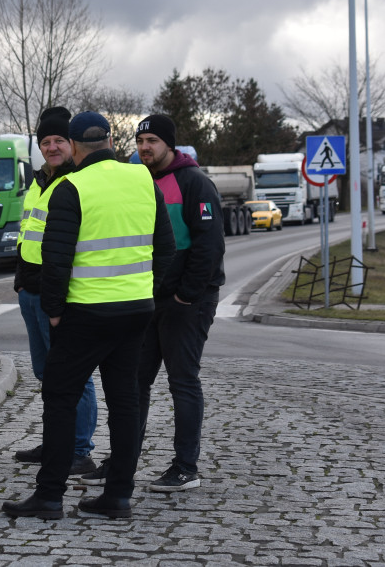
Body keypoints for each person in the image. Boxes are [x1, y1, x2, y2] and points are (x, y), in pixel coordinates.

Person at [2, 111, 175, 520]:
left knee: (60, 398)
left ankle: (48, 497)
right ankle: (117, 497)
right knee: (125, 402)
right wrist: (144, 292)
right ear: (111, 142)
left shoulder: (72, 187)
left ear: (75, 146)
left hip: (86, 312)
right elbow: (165, 249)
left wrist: (55, 313)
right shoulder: (142, 180)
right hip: (135, 312)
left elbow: (55, 261)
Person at [131, 114, 225, 492]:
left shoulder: (195, 182)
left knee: (182, 381)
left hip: (188, 301)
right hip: (148, 299)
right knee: (134, 382)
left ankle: (186, 467)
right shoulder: (140, 181)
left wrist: (186, 293)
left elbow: (209, 245)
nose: (144, 148)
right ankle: (122, 459)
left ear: (169, 144)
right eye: (139, 141)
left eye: (152, 140)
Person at [13, 106, 98, 476]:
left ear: (72, 143)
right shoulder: (38, 181)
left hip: (60, 294)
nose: (51, 147)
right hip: (31, 291)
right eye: (45, 141)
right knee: (47, 374)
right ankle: (56, 439)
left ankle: (80, 449)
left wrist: (57, 296)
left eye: (58, 140)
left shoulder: (77, 181)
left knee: (73, 375)